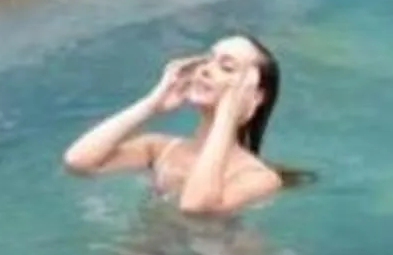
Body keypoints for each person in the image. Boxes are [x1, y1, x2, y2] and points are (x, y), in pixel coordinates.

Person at [62, 35, 307, 217]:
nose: (206, 70)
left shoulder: (258, 177)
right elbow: (78, 162)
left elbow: (195, 208)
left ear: (254, 95)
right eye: (208, 60)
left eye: (227, 67)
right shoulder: (158, 149)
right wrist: (152, 103)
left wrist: (228, 113)